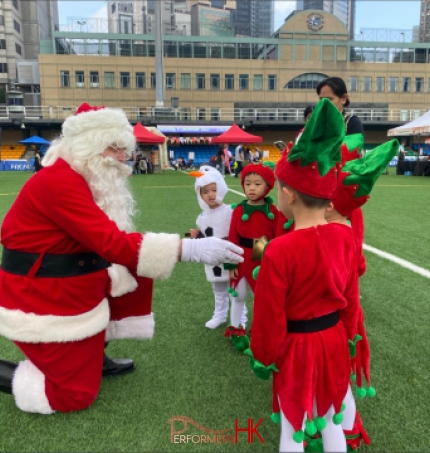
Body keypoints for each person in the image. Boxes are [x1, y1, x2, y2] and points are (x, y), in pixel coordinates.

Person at [0, 102, 244, 414]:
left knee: (131, 276)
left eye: (123, 148)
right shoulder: (59, 182)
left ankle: (93, 353)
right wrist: (191, 249)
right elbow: (111, 242)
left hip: (70, 276)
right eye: (114, 148)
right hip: (42, 292)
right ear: (89, 147)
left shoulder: (81, 177)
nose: (123, 157)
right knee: (74, 395)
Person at [246, 99, 360, 452]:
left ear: (289, 192)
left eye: (278, 186)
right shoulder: (345, 236)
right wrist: (351, 336)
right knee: (330, 420)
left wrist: (264, 356)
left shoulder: (279, 250)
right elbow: (351, 298)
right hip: (334, 340)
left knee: (293, 424)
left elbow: (268, 317)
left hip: (297, 347)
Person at [224, 163, 279, 351]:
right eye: (247, 184)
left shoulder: (273, 211)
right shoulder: (239, 210)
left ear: (268, 186)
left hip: (262, 256)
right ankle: (236, 329)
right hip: (241, 256)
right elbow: (232, 238)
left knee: (261, 297)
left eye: (257, 183)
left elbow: (278, 237)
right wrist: (231, 264)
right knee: (238, 295)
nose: (252, 188)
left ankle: (259, 331)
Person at [189, 166, 247, 329]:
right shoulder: (201, 218)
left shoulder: (230, 211)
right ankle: (220, 315)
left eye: (214, 189)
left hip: (230, 258)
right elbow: (207, 238)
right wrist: (198, 236)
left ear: (221, 187)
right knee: (218, 289)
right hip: (213, 261)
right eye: (205, 191)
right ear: (200, 195)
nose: (210, 194)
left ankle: (241, 318)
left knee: (235, 290)